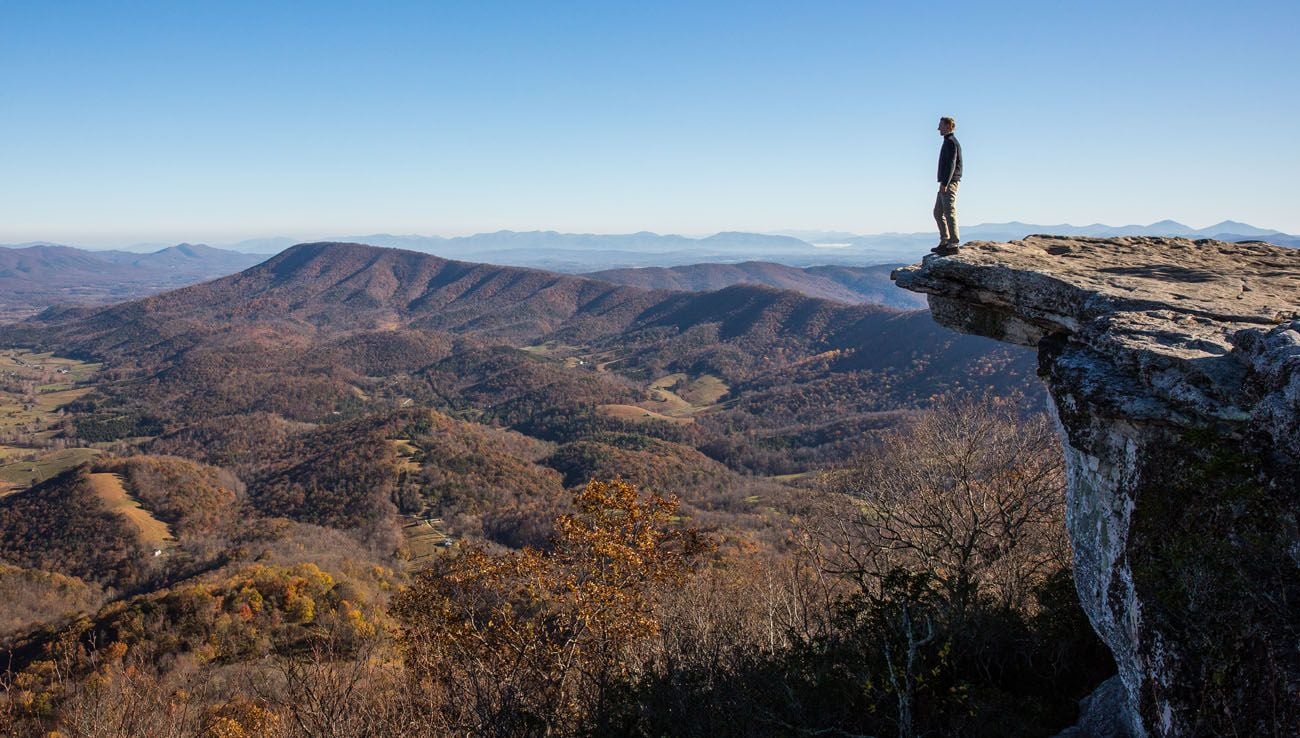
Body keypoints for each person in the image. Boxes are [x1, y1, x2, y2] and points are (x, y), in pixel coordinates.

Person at [932, 116, 962, 254]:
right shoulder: (948, 142)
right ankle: (945, 240)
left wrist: (945, 183)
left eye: (941, 125)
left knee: (949, 212)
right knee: (938, 212)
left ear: (948, 126)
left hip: (949, 183)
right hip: (945, 183)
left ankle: (953, 244)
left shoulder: (951, 142)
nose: (938, 128)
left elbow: (951, 164)